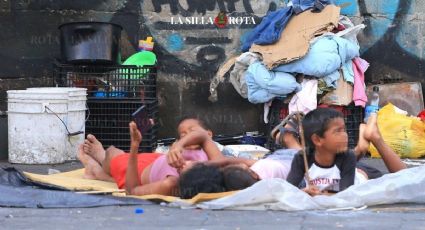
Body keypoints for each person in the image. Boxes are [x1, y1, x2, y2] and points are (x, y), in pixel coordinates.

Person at [78, 117, 226, 197]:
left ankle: (100, 165)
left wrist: (135, 145)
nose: (183, 162)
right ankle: (100, 173)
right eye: (182, 135)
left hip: (142, 172)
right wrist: (178, 146)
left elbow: (132, 190)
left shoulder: (170, 184)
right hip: (159, 159)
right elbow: (201, 136)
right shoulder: (210, 158)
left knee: (112, 152)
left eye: (184, 167)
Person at [285, 108, 406, 196]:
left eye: (344, 130)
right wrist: (303, 192)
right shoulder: (302, 158)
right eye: (338, 131)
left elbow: (345, 196)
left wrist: (317, 196)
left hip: (361, 176)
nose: (345, 135)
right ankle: (362, 146)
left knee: (405, 177)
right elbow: (287, 192)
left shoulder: (347, 157)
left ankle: (375, 137)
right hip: (339, 169)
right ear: (317, 139)